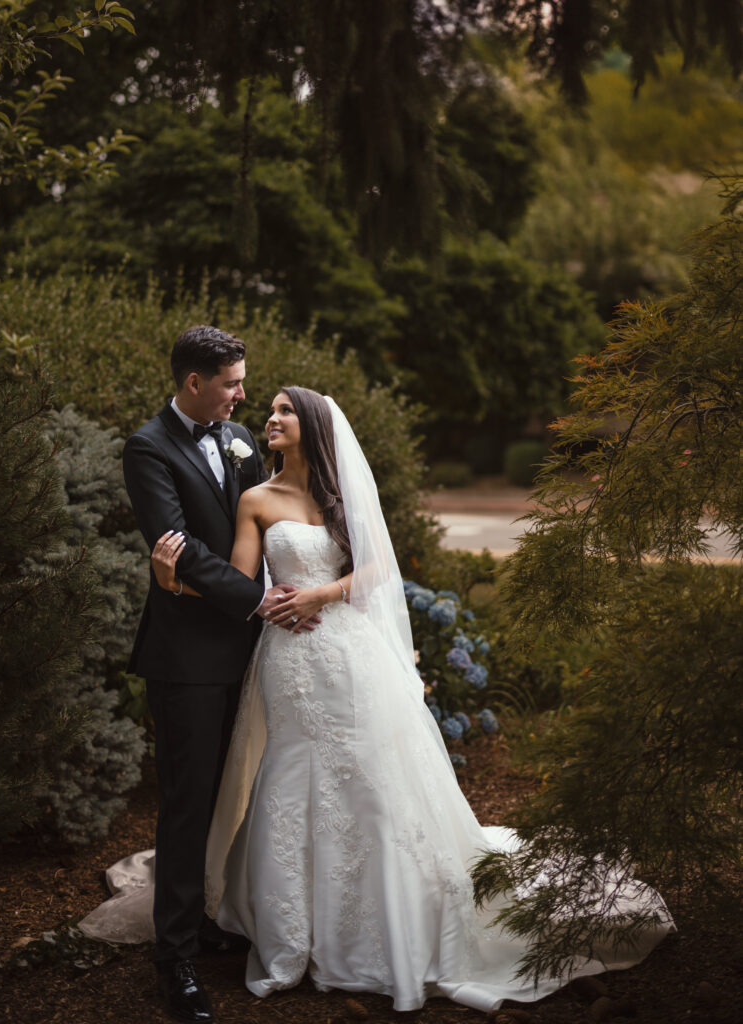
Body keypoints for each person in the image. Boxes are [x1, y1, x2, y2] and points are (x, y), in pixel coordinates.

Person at [81, 387, 674, 1015]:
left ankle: (389, 916)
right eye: (267, 408)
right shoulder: (255, 496)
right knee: (288, 774)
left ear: (311, 426)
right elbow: (240, 578)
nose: (267, 417)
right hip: (288, 660)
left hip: (350, 652)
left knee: (371, 778)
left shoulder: (342, 498)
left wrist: (323, 594)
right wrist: (174, 581)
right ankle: (294, 930)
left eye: (283, 410)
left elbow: (377, 569)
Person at [109, 326, 305, 1024]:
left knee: (244, 790)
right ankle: (176, 956)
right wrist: (257, 599)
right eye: (230, 383)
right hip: (188, 657)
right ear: (194, 382)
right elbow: (178, 547)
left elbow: (270, 516)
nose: (243, 395)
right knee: (189, 802)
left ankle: (219, 917)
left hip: (257, 650)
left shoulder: (238, 438)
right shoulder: (147, 448)